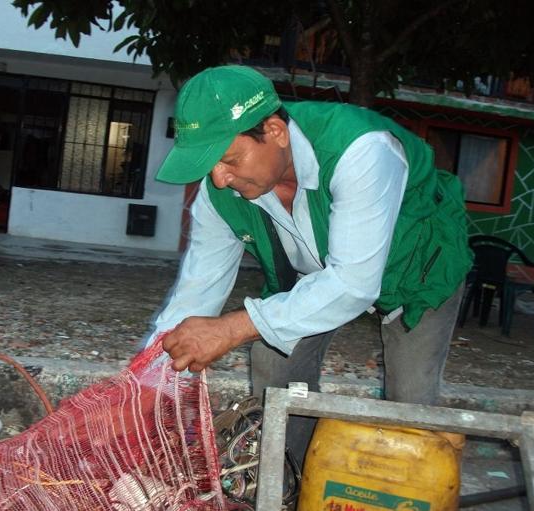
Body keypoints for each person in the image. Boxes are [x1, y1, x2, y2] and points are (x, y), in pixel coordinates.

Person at [145, 65, 472, 469]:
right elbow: (194, 296)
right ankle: (289, 481)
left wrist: (232, 328)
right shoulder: (219, 193)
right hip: (316, 274)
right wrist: (148, 381)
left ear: (276, 132)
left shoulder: (362, 149)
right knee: (273, 360)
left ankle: (413, 491)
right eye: (207, 165)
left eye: (228, 159)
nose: (218, 178)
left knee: (411, 401)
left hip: (416, 265)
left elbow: (353, 284)